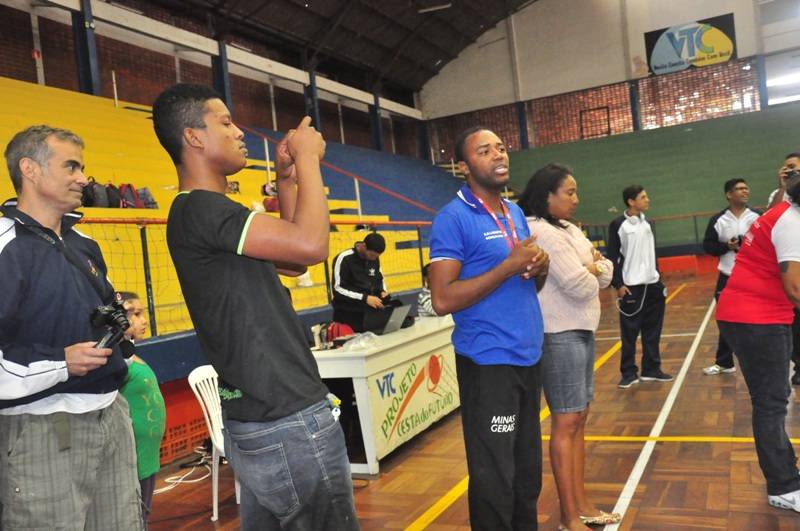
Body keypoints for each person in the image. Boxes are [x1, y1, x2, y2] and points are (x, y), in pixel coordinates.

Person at [152, 84, 358, 530]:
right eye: (226, 122)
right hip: (285, 414)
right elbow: (311, 244)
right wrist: (308, 158)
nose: (239, 131)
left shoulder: (204, 212)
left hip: (264, 417)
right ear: (193, 137)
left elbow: (291, 260)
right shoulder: (203, 209)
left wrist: (286, 179)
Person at [0, 125, 142, 530]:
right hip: (42, 425)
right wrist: (60, 363)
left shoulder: (84, 243)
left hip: (111, 413)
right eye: (71, 167)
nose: (83, 179)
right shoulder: (5, 247)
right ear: (30, 169)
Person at [428, 126, 549, 530]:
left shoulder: (514, 213)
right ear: (463, 167)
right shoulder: (453, 219)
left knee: (527, 472)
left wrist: (539, 269)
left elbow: (527, 286)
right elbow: (442, 299)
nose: (498, 154)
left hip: (527, 356)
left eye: (500, 147)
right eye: (484, 151)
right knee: (495, 477)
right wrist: (507, 267)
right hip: (488, 363)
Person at [519, 163, 619, 531]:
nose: (577, 199)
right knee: (566, 421)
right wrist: (592, 268)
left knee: (579, 419)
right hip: (558, 334)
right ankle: (568, 517)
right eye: (570, 192)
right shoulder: (542, 231)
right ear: (547, 195)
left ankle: (582, 505)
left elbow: (605, 272)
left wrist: (593, 268)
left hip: (582, 330)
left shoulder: (569, 229)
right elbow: (579, 285)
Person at [716, 173, 800, 512]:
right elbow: (795, 287)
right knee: (771, 401)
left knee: (773, 399)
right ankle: (783, 485)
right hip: (756, 318)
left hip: (754, 314)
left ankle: (786, 475)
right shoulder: (792, 223)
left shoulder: (784, 211)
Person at [607, 185, 672, 389]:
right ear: (631, 201)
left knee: (653, 331)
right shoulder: (618, 225)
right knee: (629, 334)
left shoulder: (648, 223)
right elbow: (612, 257)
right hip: (631, 288)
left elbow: (651, 254)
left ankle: (651, 369)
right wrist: (618, 284)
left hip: (653, 286)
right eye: (643, 197)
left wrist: (658, 277)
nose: (647, 200)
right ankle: (628, 373)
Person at [701, 178, 760, 376]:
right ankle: (725, 362)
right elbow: (708, 247)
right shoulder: (718, 220)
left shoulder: (757, 216)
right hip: (727, 276)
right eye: (740, 189)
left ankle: (758, 358)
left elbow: (767, 243)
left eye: (746, 188)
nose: (745, 191)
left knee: (756, 318)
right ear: (729, 194)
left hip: (753, 276)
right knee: (726, 319)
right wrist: (727, 246)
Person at [118, 292, 166, 528]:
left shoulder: (130, 355)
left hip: (147, 454)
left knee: (143, 514)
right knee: (133, 517)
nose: (144, 320)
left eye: (142, 313)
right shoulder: (116, 360)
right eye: (135, 314)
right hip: (132, 454)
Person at [768, 154, 800, 384]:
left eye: (794, 167)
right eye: (787, 167)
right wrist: (783, 187)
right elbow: (772, 219)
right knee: (796, 324)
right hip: (791, 267)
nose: (790, 170)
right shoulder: (780, 197)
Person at [331, 232, 393, 331]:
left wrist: (382, 291)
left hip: (368, 310)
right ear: (364, 246)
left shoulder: (374, 258)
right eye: (372, 255)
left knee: (395, 317)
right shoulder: (344, 258)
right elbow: (337, 289)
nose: (374, 259)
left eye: (376, 256)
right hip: (348, 311)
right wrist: (365, 298)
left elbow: (379, 279)